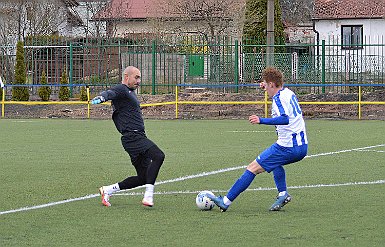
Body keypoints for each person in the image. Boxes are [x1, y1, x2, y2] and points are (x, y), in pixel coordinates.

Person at [206, 66, 308, 212]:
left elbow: (285, 119)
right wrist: (265, 84)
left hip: (287, 147)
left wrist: (261, 120)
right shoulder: (288, 93)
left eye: (266, 85)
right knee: (274, 163)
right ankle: (283, 194)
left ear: (272, 84)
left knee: (252, 168)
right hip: (302, 146)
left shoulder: (278, 99)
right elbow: (282, 104)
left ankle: (225, 201)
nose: (265, 89)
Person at [91, 66, 165, 207]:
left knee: (143, 177)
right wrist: (101, 97)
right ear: (126, 77)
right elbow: (110, 93)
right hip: (133, 137)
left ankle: (107, 190)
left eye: (139, 78)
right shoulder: (122, 89)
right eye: (136, 77)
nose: (139, 81)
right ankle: (148, 197)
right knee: (159, 155)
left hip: (135, 137)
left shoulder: (130, 93)